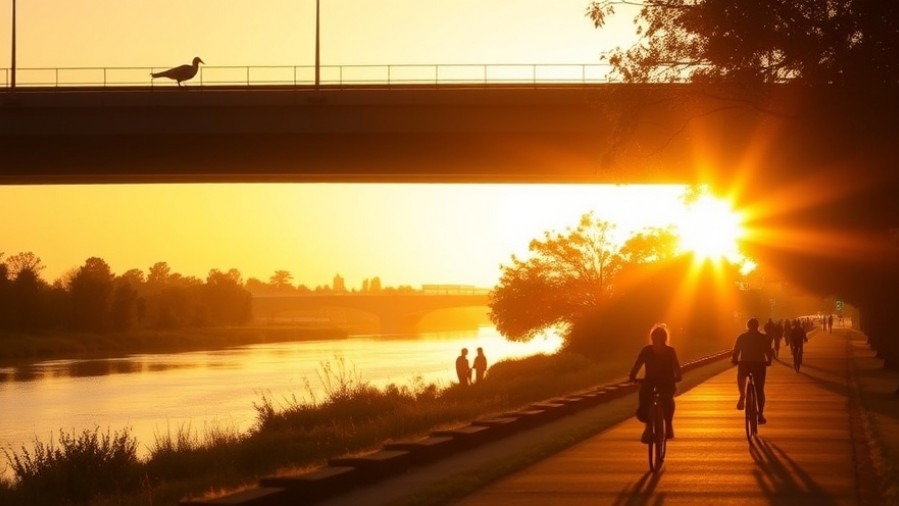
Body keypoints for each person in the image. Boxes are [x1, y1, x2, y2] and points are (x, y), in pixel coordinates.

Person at [628, 324, 682, 443]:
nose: (656, 339)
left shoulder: (669, 351)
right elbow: (637, 364)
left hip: (665, 381)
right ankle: (648, 427)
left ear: (663, 338)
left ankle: (668, 425)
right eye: (655, 336)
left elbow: (676, 367)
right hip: (652, 381)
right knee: (645, 398)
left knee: (667, 399)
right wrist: (632, 376)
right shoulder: (646, 350)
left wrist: (677, 376)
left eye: (658, 336)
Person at [732, 318, 774, 424]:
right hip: (759, 364)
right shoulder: (763, 338)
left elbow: (736, 351)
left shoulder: (742, 337)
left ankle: (742, 395)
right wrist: (769, 361)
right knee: (759, 390)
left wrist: (735, 359)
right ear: (757, 326)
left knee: (741, 376)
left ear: (748, 326)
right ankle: (760, 414)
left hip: (745, 363)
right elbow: (768, 351)